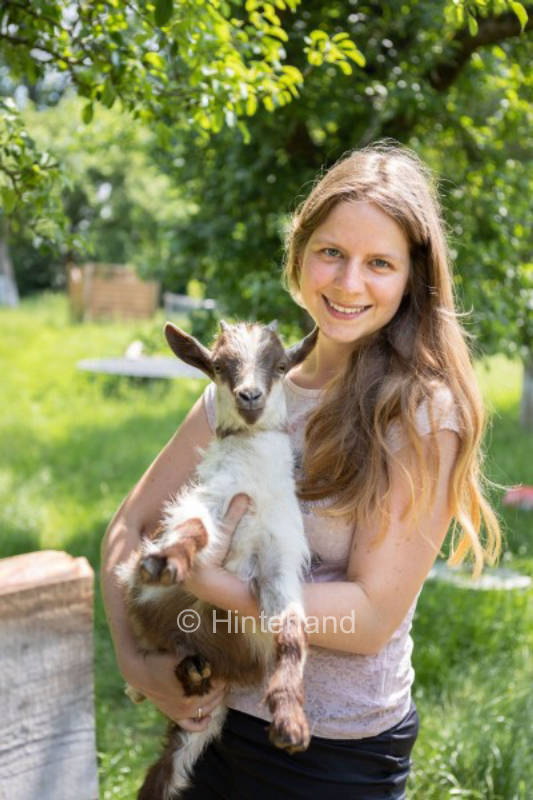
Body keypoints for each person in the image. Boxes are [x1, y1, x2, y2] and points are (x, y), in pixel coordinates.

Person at [101, 143, 501, 799]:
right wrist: (136, 659)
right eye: (331, 253)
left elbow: (367, 618)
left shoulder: (418, 413)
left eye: (378, 263)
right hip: (210, 719)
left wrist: (199, 578)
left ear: (411, 279)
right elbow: (130, 523)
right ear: (298, 253)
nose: (348, 283)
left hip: (326, 752)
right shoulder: (246, 386)